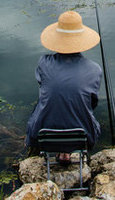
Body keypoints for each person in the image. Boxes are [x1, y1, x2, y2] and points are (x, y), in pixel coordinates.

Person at [25, 10, 103, 157]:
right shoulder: (95, 69)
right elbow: (92, 104)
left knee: (43, 101)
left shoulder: (44, 63)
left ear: (56, 39)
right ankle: (67, 151)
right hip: (83, 137)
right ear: (82, 40)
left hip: (42, 136)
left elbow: (45, 89)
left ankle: (58, 149)